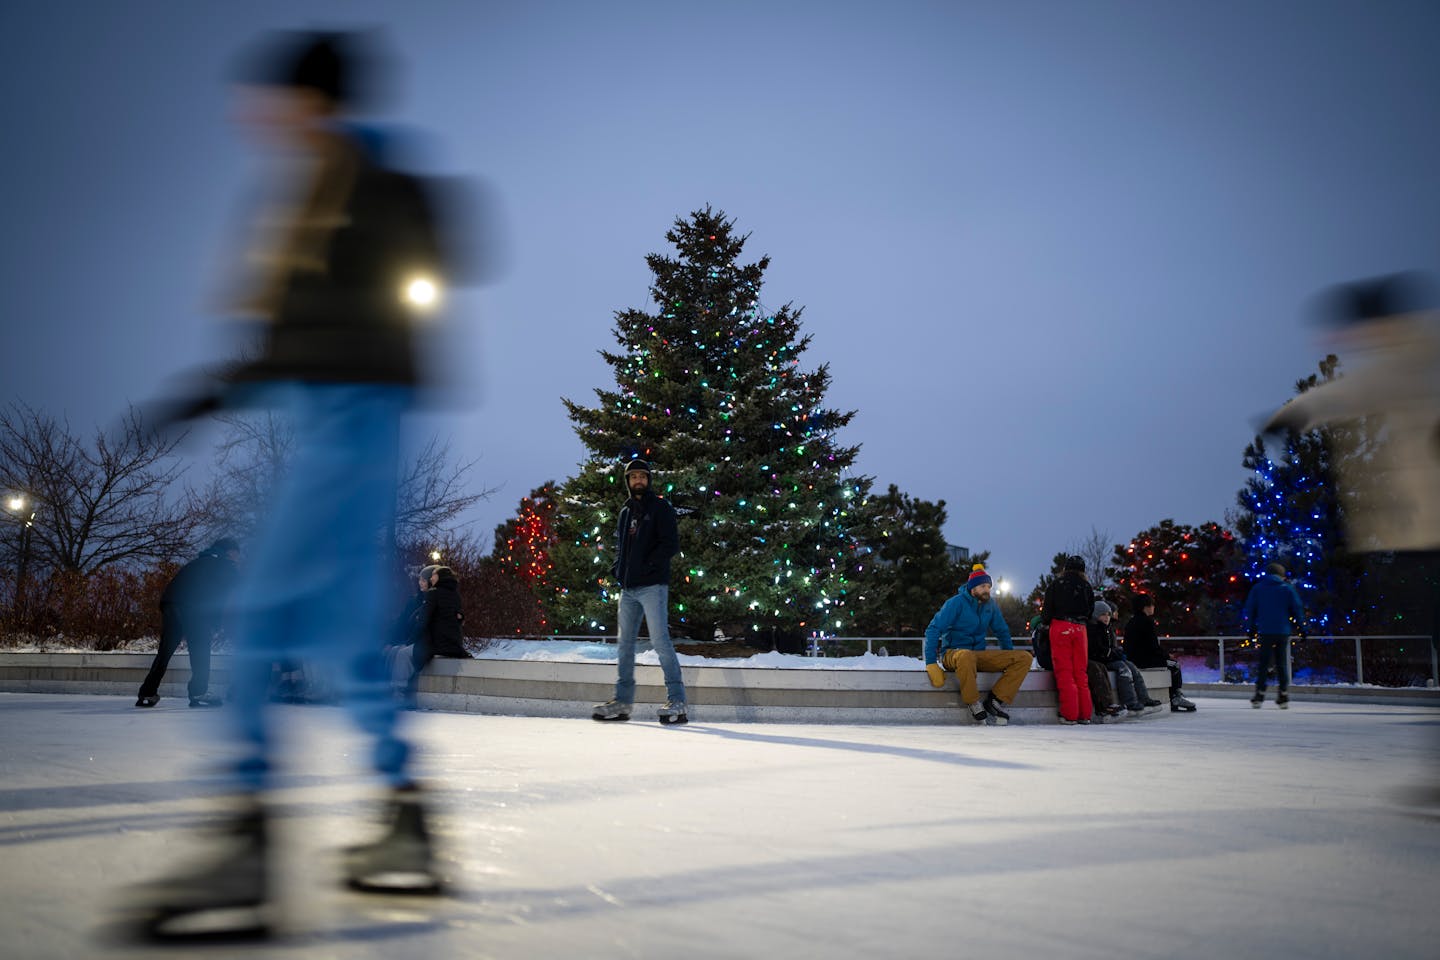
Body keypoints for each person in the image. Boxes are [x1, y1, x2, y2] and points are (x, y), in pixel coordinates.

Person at [125, 31, 456, 940]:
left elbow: (417, 272)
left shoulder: (362, 185)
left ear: (311, 100)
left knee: (264, 611)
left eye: (275, 100)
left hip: (350, 425)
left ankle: (244, 845)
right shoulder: (325, 189)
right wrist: (211, 389)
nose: (257, 118)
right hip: (338, 420)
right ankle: (407, 820)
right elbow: (290, 334)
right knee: (347, 640)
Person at [592, 458, 688, 725]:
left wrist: (647, 566)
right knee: (624, 646)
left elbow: (669, 545)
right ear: (627, 481)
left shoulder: (660, 508)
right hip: (628, 589)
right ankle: (622, 703)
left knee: (660, 642)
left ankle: (678, 701)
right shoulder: (625, 512)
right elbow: (622, 547)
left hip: (652, 586)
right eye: (633, 477)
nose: (638, 481)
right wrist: (618, 569)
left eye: (642, 476)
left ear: (649, 480)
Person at [135, 539, 241, 708]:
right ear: (229, 552)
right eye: (237, 552)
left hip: (171, 603)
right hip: (193, 606)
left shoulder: (200, 561)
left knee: (165, 651)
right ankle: (198, 691)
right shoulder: (224, 565)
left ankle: (147, 692)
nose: (239, 557)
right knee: (200, 649)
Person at [923, 563, 1032, 725]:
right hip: (953, 653)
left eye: (989, 586)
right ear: (973, 587)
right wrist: (931, 662)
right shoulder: (956, 603)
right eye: (983, 586)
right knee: (966, 655)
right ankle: (973, 702)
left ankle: (995, 700)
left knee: (1024, 657)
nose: (987, 590)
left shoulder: (990, 605)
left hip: (978, 655)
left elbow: (1001, 631)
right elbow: (933, 629)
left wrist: (1007, 655)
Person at [1242, 561, 1306, 708]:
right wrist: (1302, 628)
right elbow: (1297, 609)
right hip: (1282, 631)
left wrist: (1251, 629)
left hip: (1265, 631)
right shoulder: (1287, 589)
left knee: (1264, 663)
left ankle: (1259, 694)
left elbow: (1250, 610)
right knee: (1281, 663)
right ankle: (1283, 694)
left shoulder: (1258, 589)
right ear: (1281, 575)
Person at [1041, 556, 1095, 724]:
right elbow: (1090, 610)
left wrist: (1046, 622)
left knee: (1065, 671)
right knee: (1080, 672)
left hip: (1061, 627)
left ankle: (1069, 714)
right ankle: (1085, 714)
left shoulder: (1057, 585)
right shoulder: (1086, 586)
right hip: (1080, 629)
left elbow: (1047, 611)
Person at [1122, 593, 1195, 712]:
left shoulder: (1131, 622)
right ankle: (1175, 696)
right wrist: (1166, 656)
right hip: (1145, 659)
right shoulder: (1147, 622)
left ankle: (1174, 696)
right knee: (1175, 665)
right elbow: (1152, 646)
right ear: (1145, 607)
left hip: (1134, 658)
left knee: (1170, 663)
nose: (1153, 608)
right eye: (1151, 605)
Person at [1088, 600, 1161, 719]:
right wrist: (1113, 653)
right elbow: (1098, 649)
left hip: (1110, 657)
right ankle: (1129, 701)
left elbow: (1112, 647)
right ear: (1096, 615)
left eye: (1108, 614)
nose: (1106, 618)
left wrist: (1117, 652)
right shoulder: (1093, 629)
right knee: (1124, 669)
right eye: (1103, 615)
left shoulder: (1108, 629)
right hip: (1102, 660)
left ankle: (1144, 698)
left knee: (1132, 667)